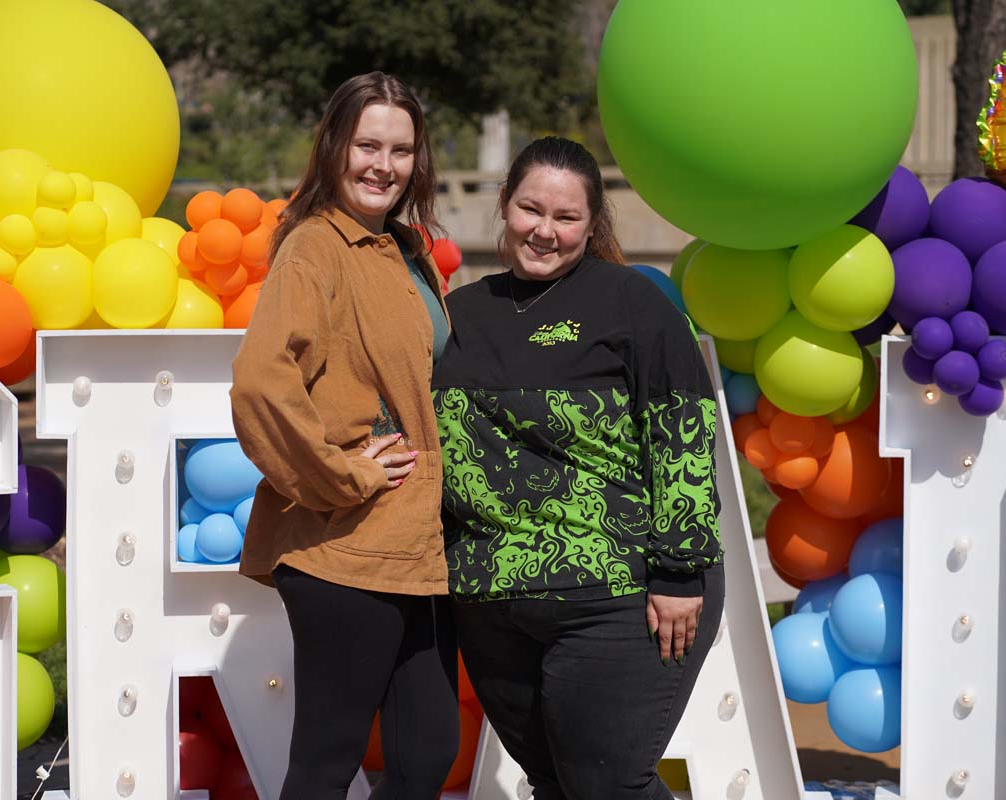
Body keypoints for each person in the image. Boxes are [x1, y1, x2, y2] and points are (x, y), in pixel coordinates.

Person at [432, 136, 724, 800]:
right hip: (488, 605)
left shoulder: (633, 304)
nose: (545, 231)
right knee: (555, 787)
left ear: (593, 226)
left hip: (617, 598)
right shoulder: (459, 315)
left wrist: (679, 571)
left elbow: (682, 435)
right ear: (504, 206)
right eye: (531, 209)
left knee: (609, 786)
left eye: (566, 218)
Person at [229, 72, 458, 800]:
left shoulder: (404, 249)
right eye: (367, 145)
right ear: (334, 147)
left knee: (426, 757)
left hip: (420, 544)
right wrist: (343, 473)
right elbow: (261, 383)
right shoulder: (314, 248)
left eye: (400, 149)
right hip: (345, 546)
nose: (382, 165)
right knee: (327, 764)